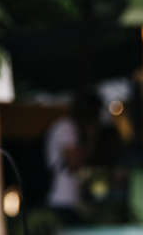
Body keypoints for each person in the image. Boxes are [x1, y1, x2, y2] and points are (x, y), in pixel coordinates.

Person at [43, 91, 100, 224]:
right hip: (61, 198)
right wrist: (91, 137)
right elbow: (74, 162)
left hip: (69, 199)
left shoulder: (71, 128)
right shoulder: (66, 127)